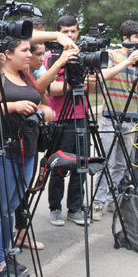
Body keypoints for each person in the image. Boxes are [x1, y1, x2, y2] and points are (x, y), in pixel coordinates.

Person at [0, 38, 53, 277]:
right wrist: (13, 106)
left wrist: (45, 114)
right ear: (7, 53)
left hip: (26, 151)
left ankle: (5, 255)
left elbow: (44, 105)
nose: (31, 55)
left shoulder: (26, 76)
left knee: (9, 208)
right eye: (25, 50)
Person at [91, 20, 138, 220]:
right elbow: (101, 78)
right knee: (106, 162)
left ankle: (112, 199)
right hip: (111, 117)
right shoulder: (112, 55)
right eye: (137, 37)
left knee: (122, 164)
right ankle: (97, 203)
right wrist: (128, 62)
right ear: (125, 39)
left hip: (132, 118)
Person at [43, 15, 90, 226]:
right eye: (65, 31)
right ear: (59, 33)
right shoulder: (51, 57)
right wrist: (72, 86)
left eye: (73, 31)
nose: (70, 35)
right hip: (60, 119)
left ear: (78, 32)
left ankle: (75, 208)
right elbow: (46, 87)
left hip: (82, 117)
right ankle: (55, 208)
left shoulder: (84, 56)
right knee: (59, 166)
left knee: (81, 165)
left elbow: (93, 86)